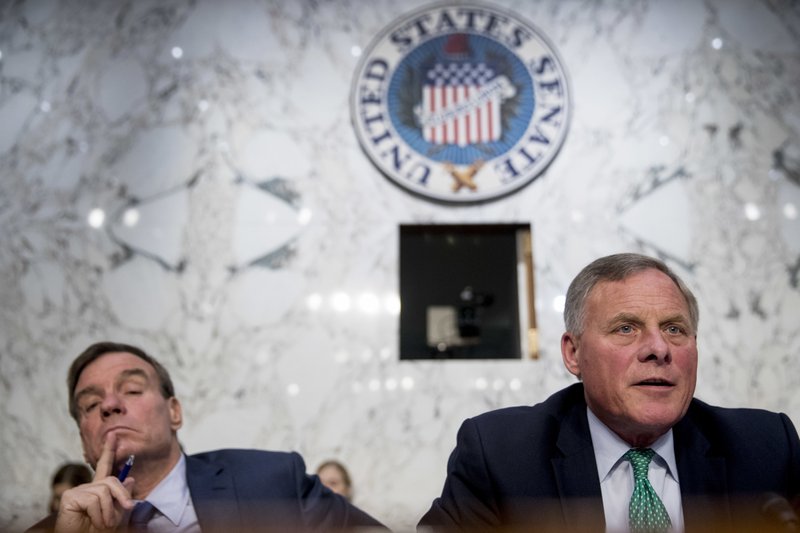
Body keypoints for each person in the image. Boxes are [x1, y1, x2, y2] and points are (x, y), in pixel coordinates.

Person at [419, 253, 800, 532]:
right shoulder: (501, 456)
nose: (659, 348)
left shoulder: (766, 449)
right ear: (573, 354)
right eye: (626, 328)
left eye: (674, 329)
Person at [28, 341, 386, 532]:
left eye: (132, 390)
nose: (109, 404)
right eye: (90, 405)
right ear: (82, 438)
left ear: (174, 412)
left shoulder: (272, 484)